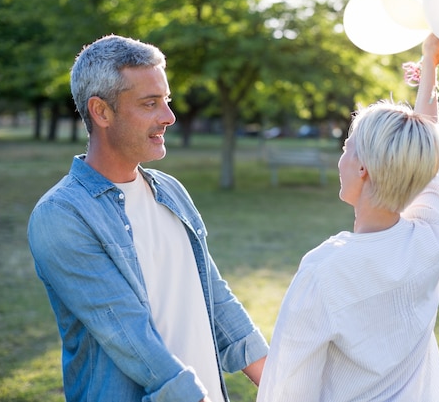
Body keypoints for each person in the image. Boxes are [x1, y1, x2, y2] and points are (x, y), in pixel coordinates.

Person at [27, 35, 268, 402]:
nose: (169, 117)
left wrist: (278, 382)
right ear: (101, 112)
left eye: (166, 101)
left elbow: (214, 298)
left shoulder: (170, 191)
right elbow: (129, 336)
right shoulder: (61, 216)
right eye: (150, 103)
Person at [257, 34, 439, 402]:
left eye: (347, 148)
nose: (341, 158)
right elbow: (426, 161)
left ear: (362, 167)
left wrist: (430, 63)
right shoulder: (433, 240)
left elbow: (287, 390)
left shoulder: (323, 271)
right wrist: (429, 65)